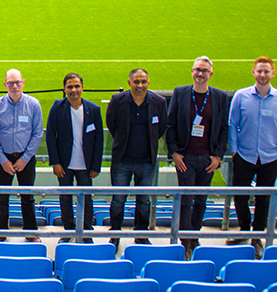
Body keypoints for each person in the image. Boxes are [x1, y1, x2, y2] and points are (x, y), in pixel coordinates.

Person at [227, 56, 277, 258]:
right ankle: (245, 230)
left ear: (273, 73)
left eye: (266, 71)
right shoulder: (241, 96)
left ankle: (257, 238)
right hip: (244, 156)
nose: (262, 75)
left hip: (270, 158)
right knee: (240, 196)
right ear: (253, 72)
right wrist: (234, 150)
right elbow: (232, 125)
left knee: (264, 199)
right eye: (259, 71)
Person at [165, 57, 229, 259]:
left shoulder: (219, 97)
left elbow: (223, 129)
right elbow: (170, 124)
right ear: (192, 71)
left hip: (207, 159)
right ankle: (185, 239)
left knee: (201, 199)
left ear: (211, 74)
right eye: (197, 70)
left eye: (204, 71)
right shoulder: (180, 93)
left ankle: (194, 234)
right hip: (185, 158)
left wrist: (218, 156)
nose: (200, 74)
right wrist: (174, 152)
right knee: (185, 199)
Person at [106, 68, 167, 253]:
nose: (140, 85)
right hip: (122, 160)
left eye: (143, 82)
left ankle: (141, 235)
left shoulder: (159, 102)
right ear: (129, 82)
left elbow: (161, 127)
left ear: (148, 82)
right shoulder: (118, 101)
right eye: (136, 82)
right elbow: (111, 124)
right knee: (118, 200)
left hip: (146, 161)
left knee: (144, 201)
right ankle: (115, 234)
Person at [46, 73, 103, 243]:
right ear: (64, 88)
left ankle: (85, 231)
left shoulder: (93, 110)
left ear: (82, 88)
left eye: (77, 86)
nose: (73, 90)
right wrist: (55, 162)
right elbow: (50, 135)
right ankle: (69, 230)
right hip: (65, 164)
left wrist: (95, 166)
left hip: (85, 165)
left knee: (86, 198)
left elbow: (99, 139)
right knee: (65, 197)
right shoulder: (57, 108)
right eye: (70, 87)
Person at [0, 69, 43, 242]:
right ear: (5, 85)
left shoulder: (33, 104)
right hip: (3, 159)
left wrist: (24, 159)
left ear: (23, 83)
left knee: (28, 197)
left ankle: (31, 231)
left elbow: (37, 133)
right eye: (10, 83)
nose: (14, 86)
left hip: (25, 159)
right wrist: (3, 160)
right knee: (2, 197)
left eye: (17, 82)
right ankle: (0, 230)